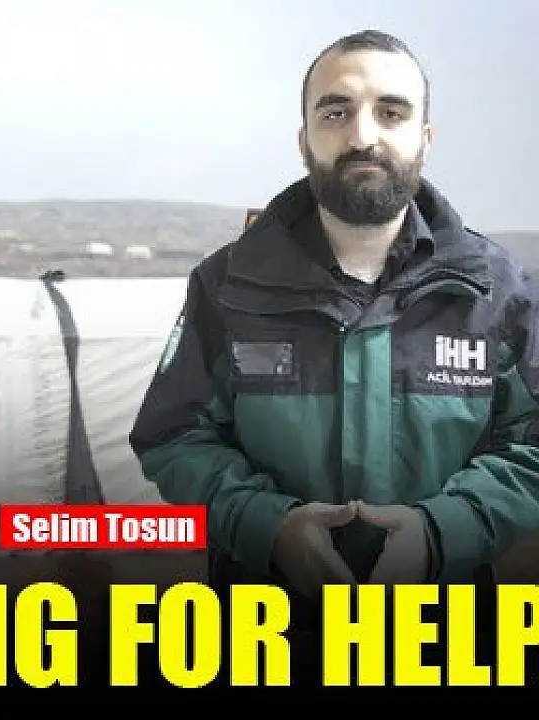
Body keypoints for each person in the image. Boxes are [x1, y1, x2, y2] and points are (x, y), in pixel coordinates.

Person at [130, 30, 539, 620]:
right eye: (336, 112)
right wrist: (270, 529)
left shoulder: (497, 291)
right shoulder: (227, 285)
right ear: (304, 140)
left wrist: (439, 534)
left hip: (443, 634)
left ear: (425, 139)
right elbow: (172, 436)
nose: (363, 136)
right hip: (263, 632)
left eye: (391, 112)